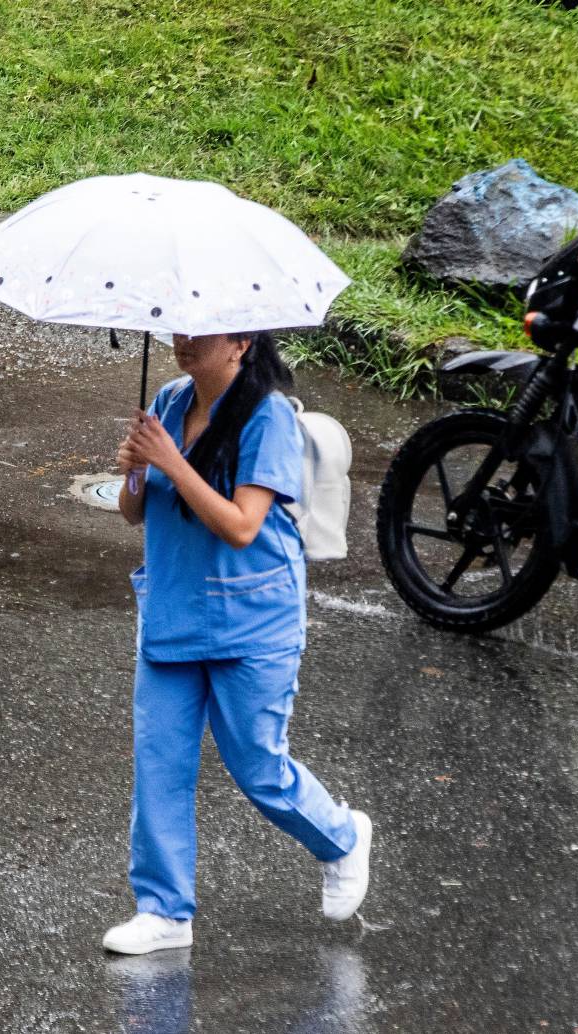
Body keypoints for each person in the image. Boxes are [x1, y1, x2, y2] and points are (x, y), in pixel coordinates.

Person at [102, 329, 372, 955]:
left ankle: (342, 837)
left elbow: (243, 526)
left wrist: (171, 460)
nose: (183, 340)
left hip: (253, 624)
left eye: (203, 330)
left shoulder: (267, 415)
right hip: (173, 611)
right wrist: (137, 472)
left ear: (241, 342)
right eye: (180, 327)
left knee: (258, 767)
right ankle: (164, 910)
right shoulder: (170, 401)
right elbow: (133, 513)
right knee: (159, 766)